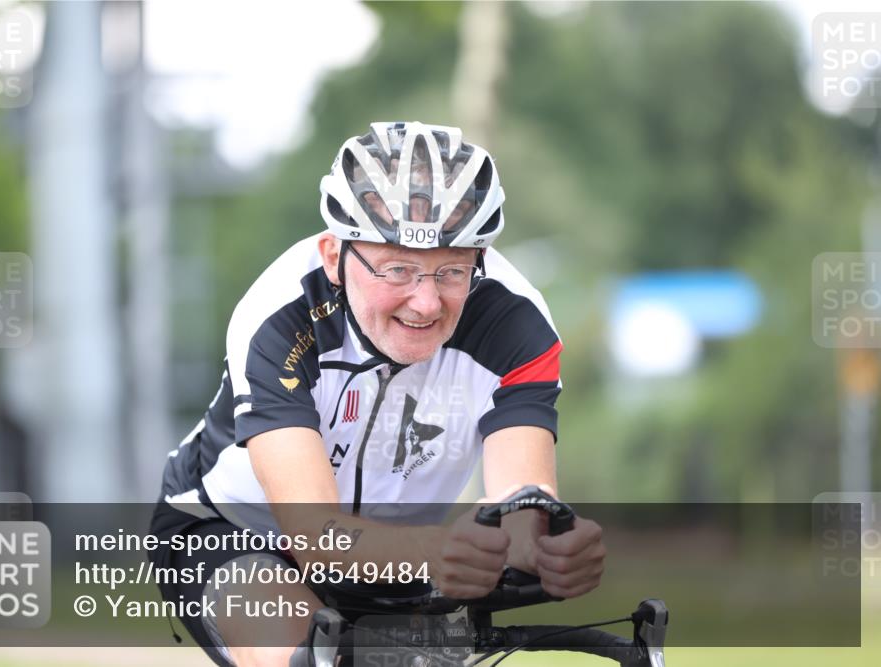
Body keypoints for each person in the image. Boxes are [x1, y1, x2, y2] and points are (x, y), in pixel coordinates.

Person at [149, 121, 605, 667]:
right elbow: (315, 536)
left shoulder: (516, 324)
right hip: (233, 529)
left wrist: (546, 548)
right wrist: (440, 553)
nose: (427, 303)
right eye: (398, 269)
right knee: (301, 656)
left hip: (402, 551)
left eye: (453, 272)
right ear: (333, 256)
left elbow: (518, 503)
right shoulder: (280, 316)